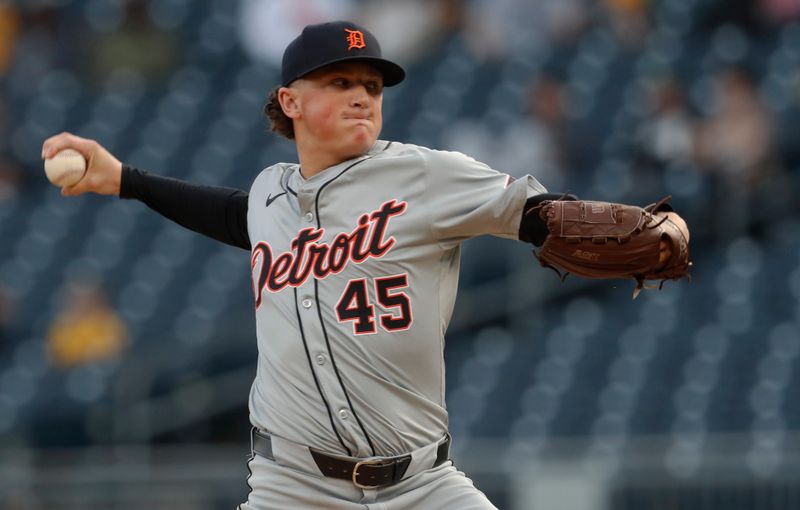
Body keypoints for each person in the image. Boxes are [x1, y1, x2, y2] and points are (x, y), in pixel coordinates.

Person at [42, 21, 688, 509]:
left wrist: (649, 233)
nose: (362, 97)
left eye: (372, 86)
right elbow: (239, 216)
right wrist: (128, 180)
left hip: (422, 485)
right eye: (340, 81)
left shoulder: (425, 175)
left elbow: (537, 214)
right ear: (290, 101)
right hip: (291, 486)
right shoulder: (271, 191)